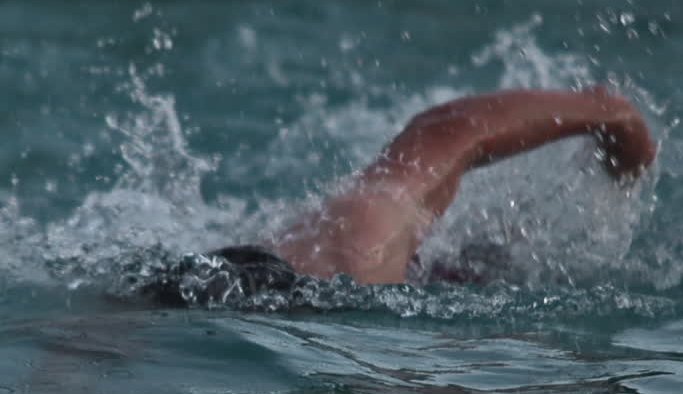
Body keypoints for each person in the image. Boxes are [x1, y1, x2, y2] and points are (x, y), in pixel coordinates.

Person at [138, 86, 656, 306]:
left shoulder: (361, 241)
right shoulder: (160, 299)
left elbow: (448, 129)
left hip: (421, 276)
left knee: (490, 263)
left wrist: (610, 114)